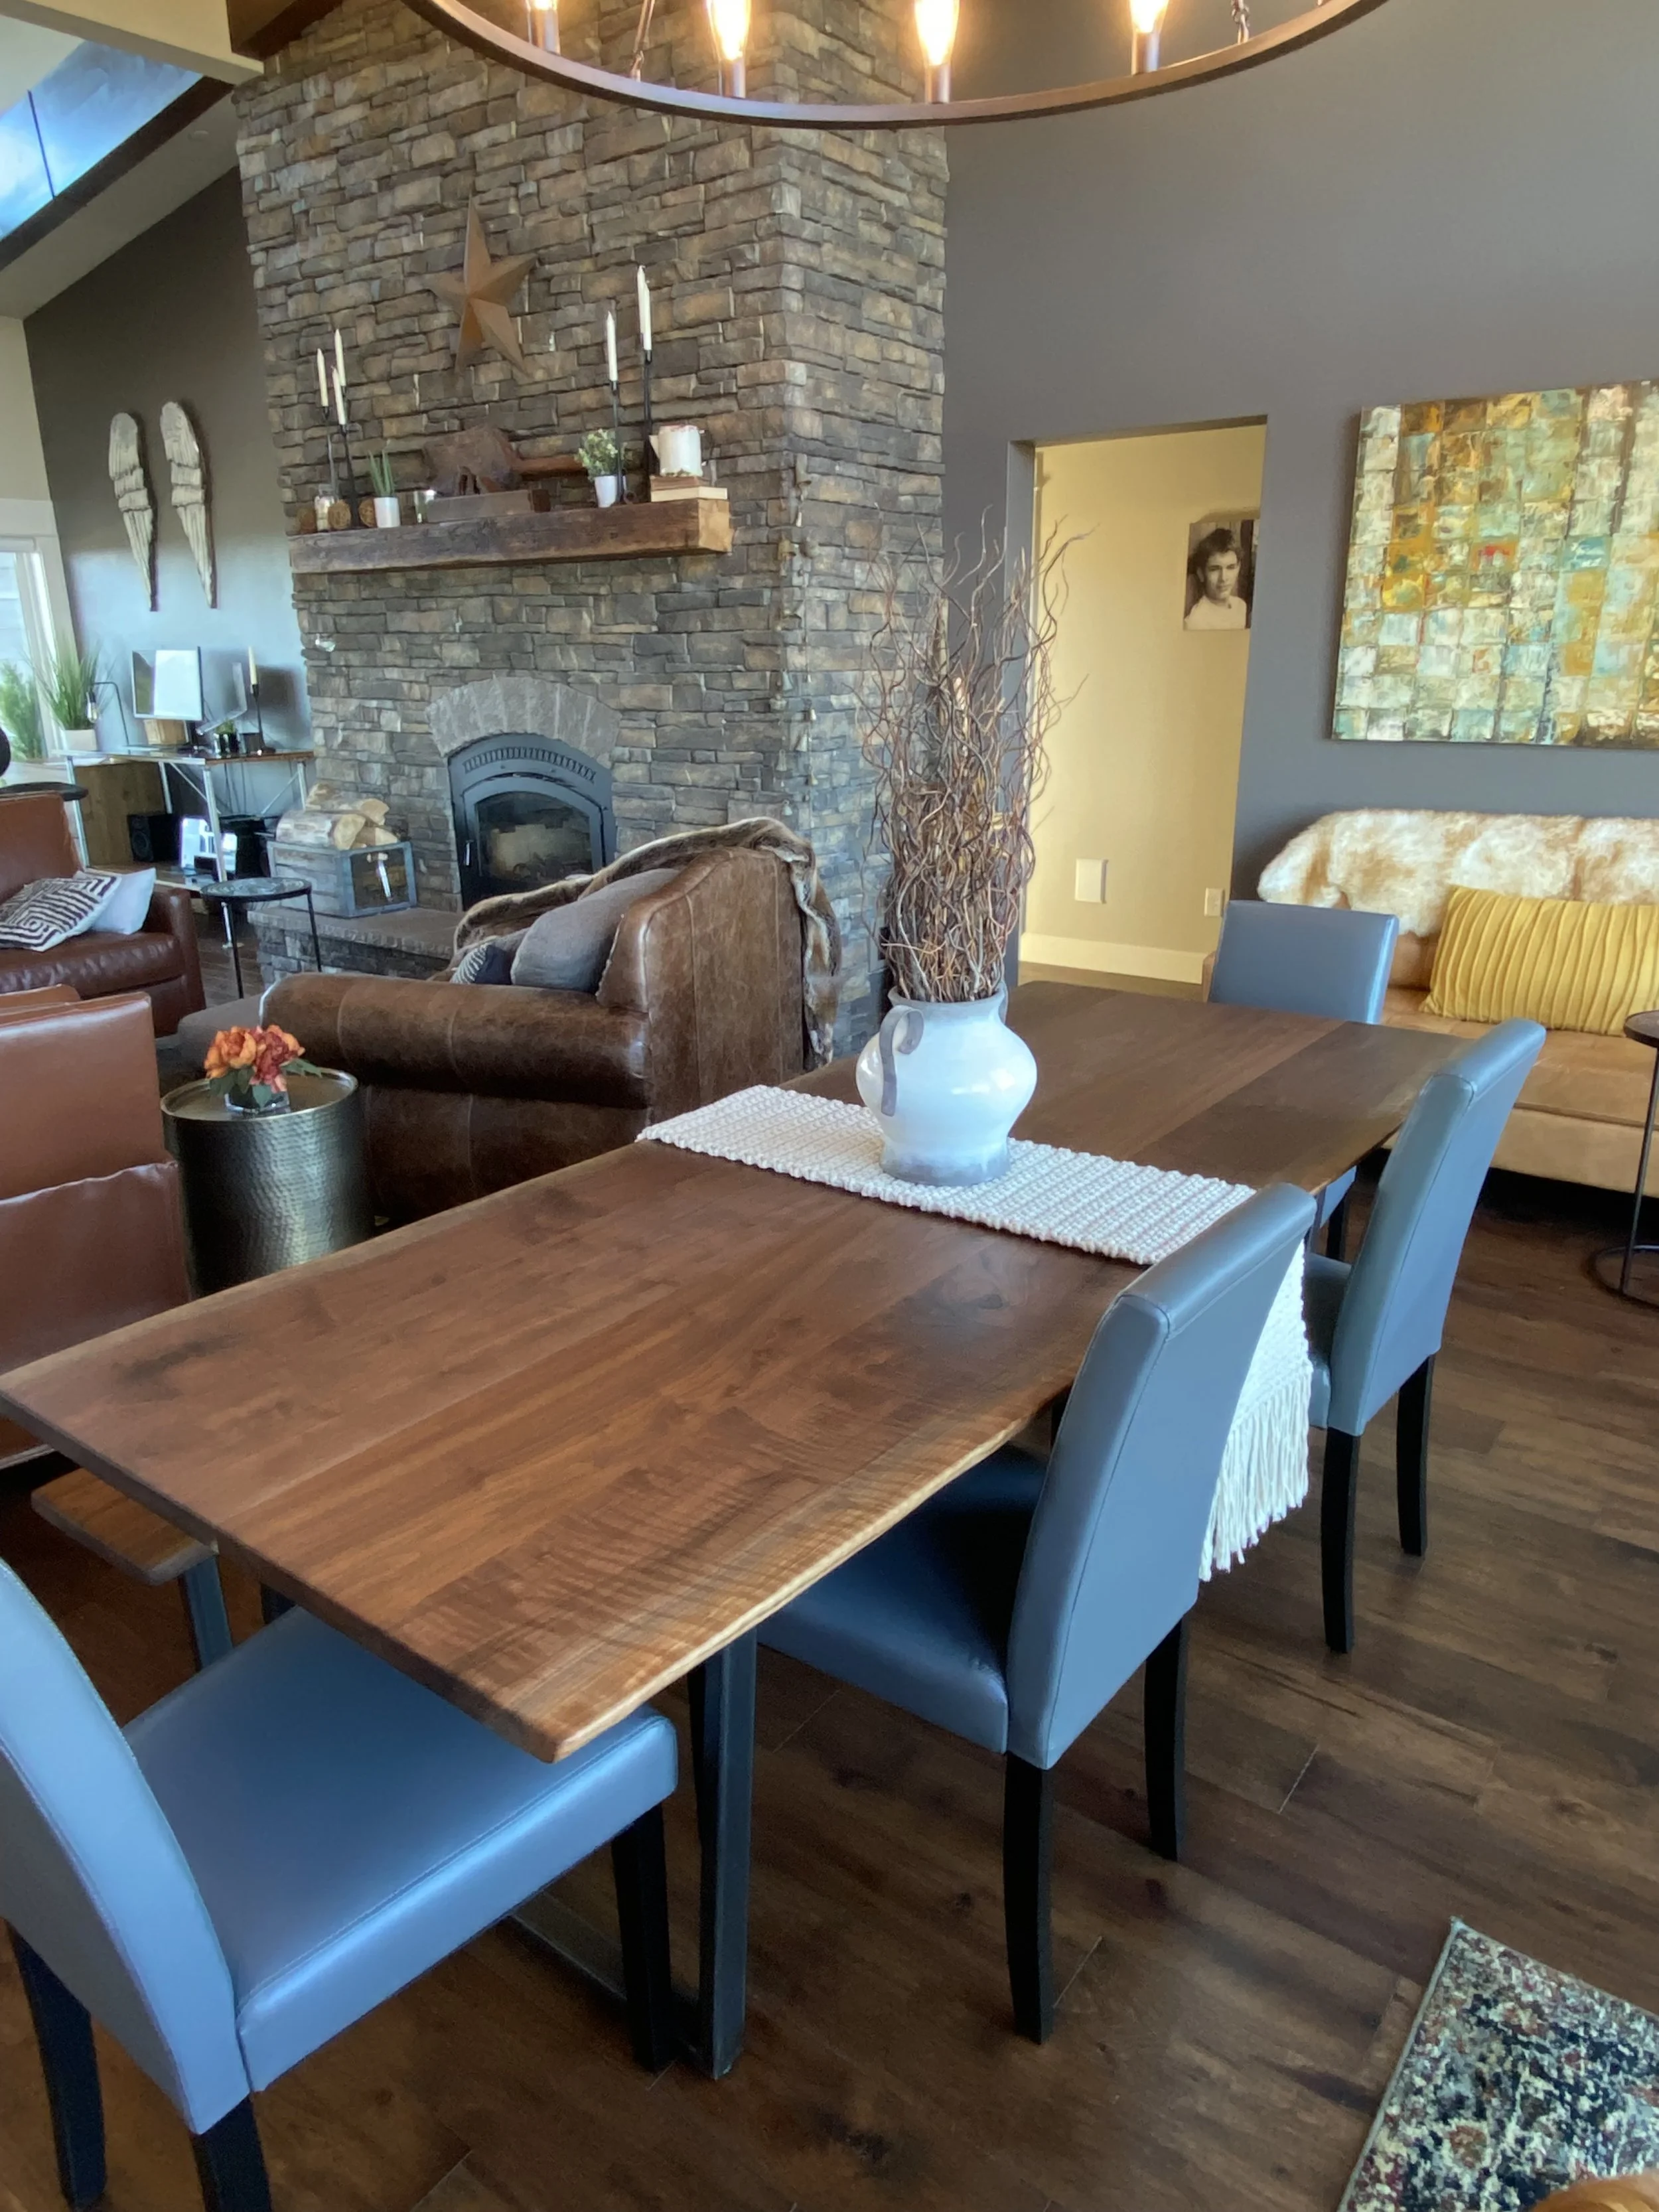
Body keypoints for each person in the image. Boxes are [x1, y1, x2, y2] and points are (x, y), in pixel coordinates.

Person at [1185, 525, 1250, 630]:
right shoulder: (1195, 622)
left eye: (1231, 567)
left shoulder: (1241, 606)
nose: (1223, 578)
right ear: (1201, 573)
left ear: (1238, 568)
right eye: (1215, 569)